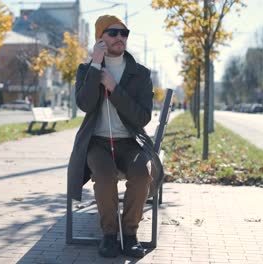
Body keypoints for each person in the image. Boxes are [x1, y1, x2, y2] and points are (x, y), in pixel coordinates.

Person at [67, 15, 163, 259]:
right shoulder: (86, 70)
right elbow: (85, 104)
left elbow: (142, 117)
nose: (120, 37)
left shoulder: (139, 73)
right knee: (105, 174)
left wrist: (114, 89)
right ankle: (109, 235)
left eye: (124, 33)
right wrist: (96, 65)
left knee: (143, 174)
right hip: (97, 143)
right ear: (101, 38)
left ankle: (129, 234)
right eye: (113, 33)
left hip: (131, 142)